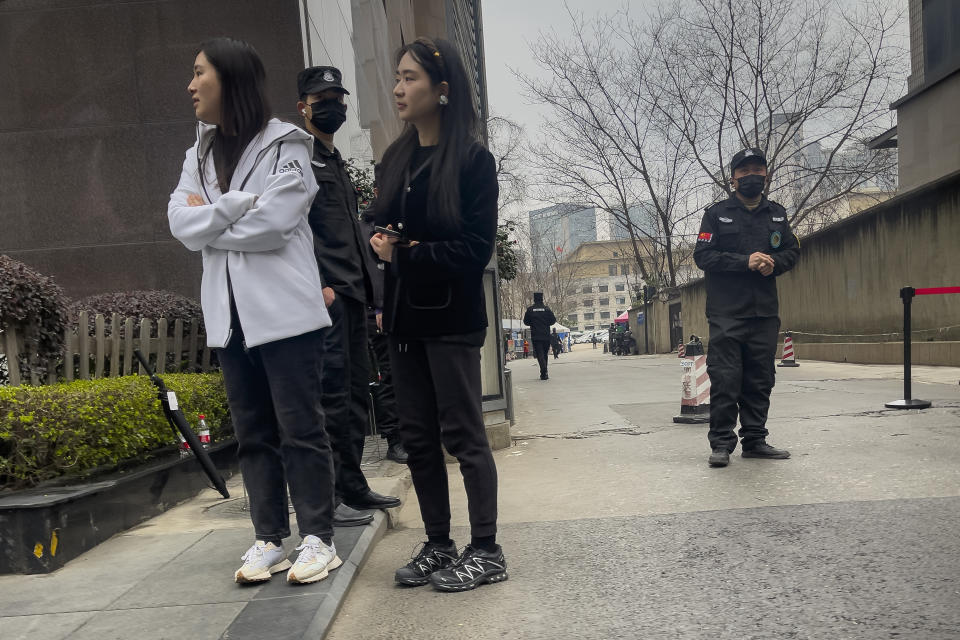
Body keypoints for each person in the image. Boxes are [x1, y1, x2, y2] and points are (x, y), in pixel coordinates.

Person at [169, 37, 338, 584]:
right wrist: (236, 206)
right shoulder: (197, 154)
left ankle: (319, 537)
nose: (191, 86)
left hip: (286, 315)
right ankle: (269, 539)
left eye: (200, 74)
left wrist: (213, 219)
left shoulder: (287, 144)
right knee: (252, 435)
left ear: (231, 80)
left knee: (300, 429)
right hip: (229, 318)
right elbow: (180, 223)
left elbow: (275, 225)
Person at [370, 36, 506, 592]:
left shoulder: (473, 161)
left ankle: (487, 549)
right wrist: (380, 244)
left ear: (442, 90)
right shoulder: (396, 157)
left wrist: (405, 254)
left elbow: (474, 251)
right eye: (397, 78)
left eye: (411, 79)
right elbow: (375, 223)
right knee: (419, 439)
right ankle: (439, 542)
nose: (399, 89)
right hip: (403, 321)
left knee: (463, 435)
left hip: (451, 321)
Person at [297, 66, 401, 526]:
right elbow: (296, 230)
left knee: (358, 393)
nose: (333, 105)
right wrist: (319, 284)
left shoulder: (334, 161)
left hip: (354, 296)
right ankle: (331, 494)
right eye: (323, 97)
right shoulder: (298, 159)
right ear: (304, 105)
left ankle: (353, 485)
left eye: (338, 97)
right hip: (329, 296)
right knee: (333, 396)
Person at [693, 147, 800, 468]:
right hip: (727, 312)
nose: (751, 176)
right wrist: (745, 261)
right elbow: (703, 256)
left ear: (766, 175)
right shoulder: (716, 214)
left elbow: (792, 251)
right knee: (725, 377)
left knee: (760, 377)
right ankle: (722, 443)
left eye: (757, 170)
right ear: (733, 178)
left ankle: (755, 440)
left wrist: (775, 264)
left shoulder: (777, 214)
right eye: (744, 171)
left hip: (764, 312)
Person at [523, 292, 556, 380]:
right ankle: (544, 372)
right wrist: (546, 323)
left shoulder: (530, 310)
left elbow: (526, 322)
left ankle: (543, 370)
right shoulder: (547, 309)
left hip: (536, 335)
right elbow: (553, 320)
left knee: (539, 353)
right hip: (546, 335)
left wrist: (533, 323)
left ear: (534, 299)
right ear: (542, 299)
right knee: (545, 354)